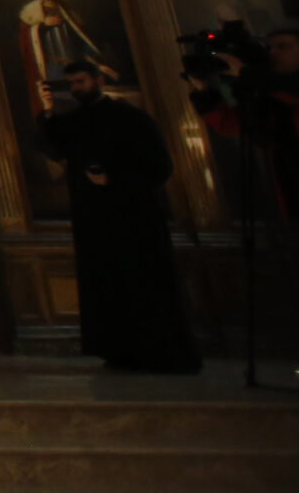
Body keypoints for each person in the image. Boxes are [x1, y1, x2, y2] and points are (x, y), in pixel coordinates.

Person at [194, 28, 299, 371]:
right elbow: (240, 126)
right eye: (271, 46)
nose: (275, 53)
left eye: (284, 46)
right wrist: (205, 94)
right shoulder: (270, 88)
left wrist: (251, 75)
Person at [38, 61, 201, 373]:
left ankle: (162, 352)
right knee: (107, 284)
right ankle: (119, 351)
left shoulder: (131, 119)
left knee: (144, 282)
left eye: (81, 81)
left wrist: (113, 178)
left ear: (98, 80)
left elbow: (158, 166)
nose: (76, 89)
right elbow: (54, 147)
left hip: (134, 215)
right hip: (94, 218)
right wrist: (46, 110)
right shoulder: (76, 120)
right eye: (71, 83)